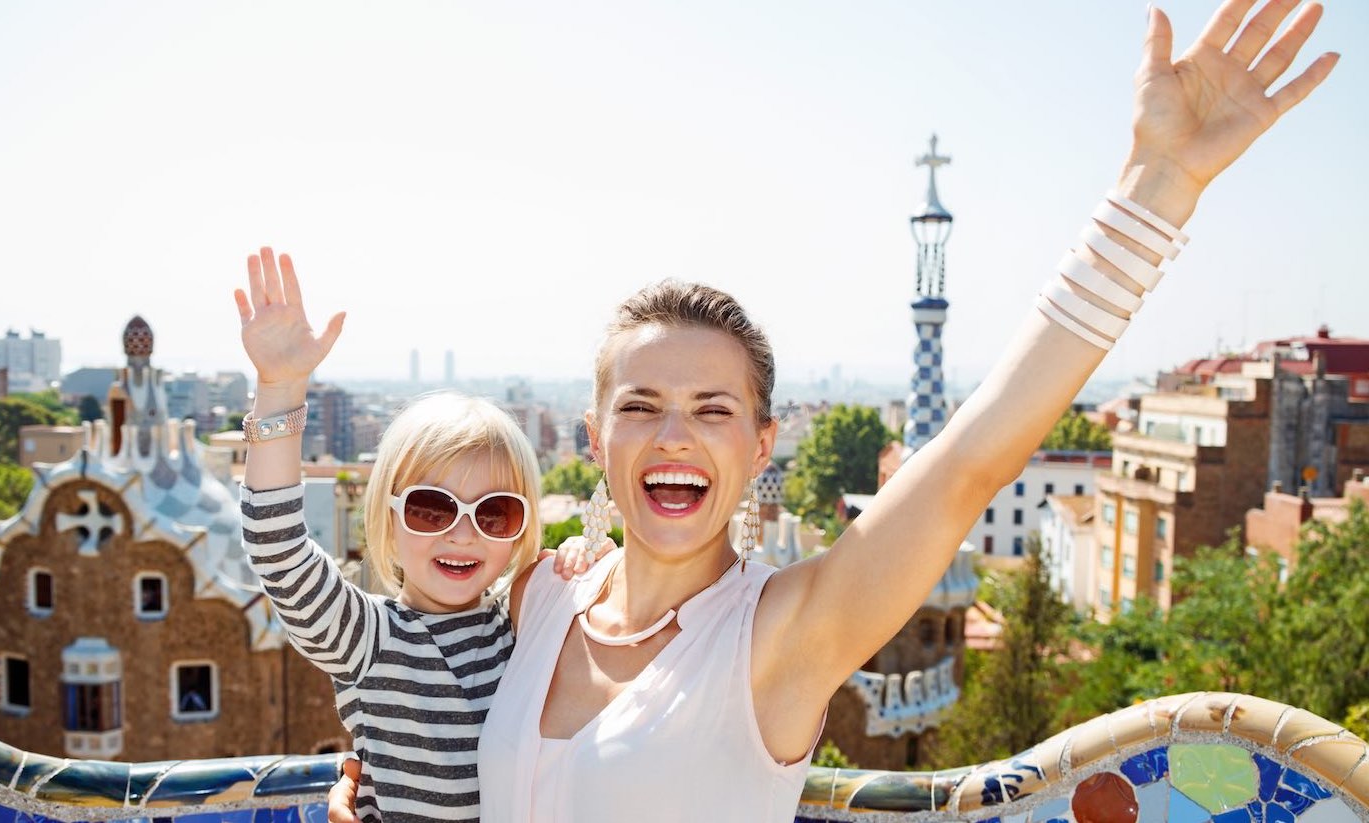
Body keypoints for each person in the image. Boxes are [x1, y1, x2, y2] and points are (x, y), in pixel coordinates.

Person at [329, 2, 1339, 819]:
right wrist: (374, 775)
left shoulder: (778, 636)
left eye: (712, 408)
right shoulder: (536, 599)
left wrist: (1156, 187)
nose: (675, 431)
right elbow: (418, 674)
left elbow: (966, 468)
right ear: (595, 437)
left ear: (763, 444)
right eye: (642, 403)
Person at [234, 250, 602, 823]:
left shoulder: (521, 628)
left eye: (494, 514)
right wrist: (279, 390)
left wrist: (584, 562)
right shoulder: (369, 638)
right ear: (391, 513)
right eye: (433, 509)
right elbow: (278, 550)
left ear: (521, 529)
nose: (462, 533)